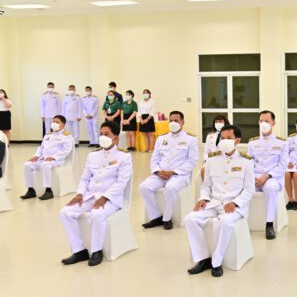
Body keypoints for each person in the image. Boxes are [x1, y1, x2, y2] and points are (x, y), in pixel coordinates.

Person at [185, 124, 254, 277]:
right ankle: (203, 258)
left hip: (234, 206)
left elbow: (249, 190)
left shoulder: (246, 161)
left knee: (224, 222)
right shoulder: (212, 159)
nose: (224, 141)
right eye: (222, 138)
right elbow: (206, 185)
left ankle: (217, 261)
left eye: (228, 138)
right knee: (189, 219)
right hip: (214, 203)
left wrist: (235, 203)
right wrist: (203, 198)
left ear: (237, 140)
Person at [59, 121, 132, 267]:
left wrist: (105, 197)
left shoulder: (124, 156)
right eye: (101, 134)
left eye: (107, 134)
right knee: (65, 212)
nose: (103, 137)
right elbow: (85, 178)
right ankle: (79, 251)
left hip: (111, 199)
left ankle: (96, 251)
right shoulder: (93, 155)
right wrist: (79, 194)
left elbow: (121, 182)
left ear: (115, 137)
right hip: (90, 196)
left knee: (96, 215)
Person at [140, 111, 199, 230]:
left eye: (176, 121)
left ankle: (167, 218)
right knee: (144, 187)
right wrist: (158, 171)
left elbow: (192, 161)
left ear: (182, 123)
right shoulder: (161, 138)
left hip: (179, 175)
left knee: (170, 188)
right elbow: (154, 159)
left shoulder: (190, 139)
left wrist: (174, 172)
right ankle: (156, 217)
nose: (173, 123)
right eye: (171, 120)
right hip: (160, 174)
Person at [247, 110, 289, 240]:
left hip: (272, 178)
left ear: (273, 123)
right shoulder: (252, 143)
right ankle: (244, 222)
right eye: (261, 121)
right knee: (242, 187)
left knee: (270, 188)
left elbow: (282, 165)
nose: (263, 123)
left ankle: (269, 224)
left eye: (267, 121)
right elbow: (249, 163)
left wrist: (267, 176)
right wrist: (253, 177)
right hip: (255, 177)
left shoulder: (282, 143)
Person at [20, 115, 74, 201]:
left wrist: (53, 157)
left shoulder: (67, 136)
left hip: (57, 160)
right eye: (53, 121)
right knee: (27, 164)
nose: (54, 123)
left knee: (45, 165)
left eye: (57, 122)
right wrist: (36, 156)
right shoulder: (48, 135)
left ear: (63, 125)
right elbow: (41, 148)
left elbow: (66, 150)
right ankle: (30, 190)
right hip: (44, 158)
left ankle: (48, 191)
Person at [201, 114, 230, 180]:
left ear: (225, 123)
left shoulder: (229, 136)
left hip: (225, 161)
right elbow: (205, 153)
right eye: (216, 121)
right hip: (211, 161)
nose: (218, 123)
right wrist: (210, 160)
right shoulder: (210, 136)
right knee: (203, 169)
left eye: (220, 121)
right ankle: (206, 186)